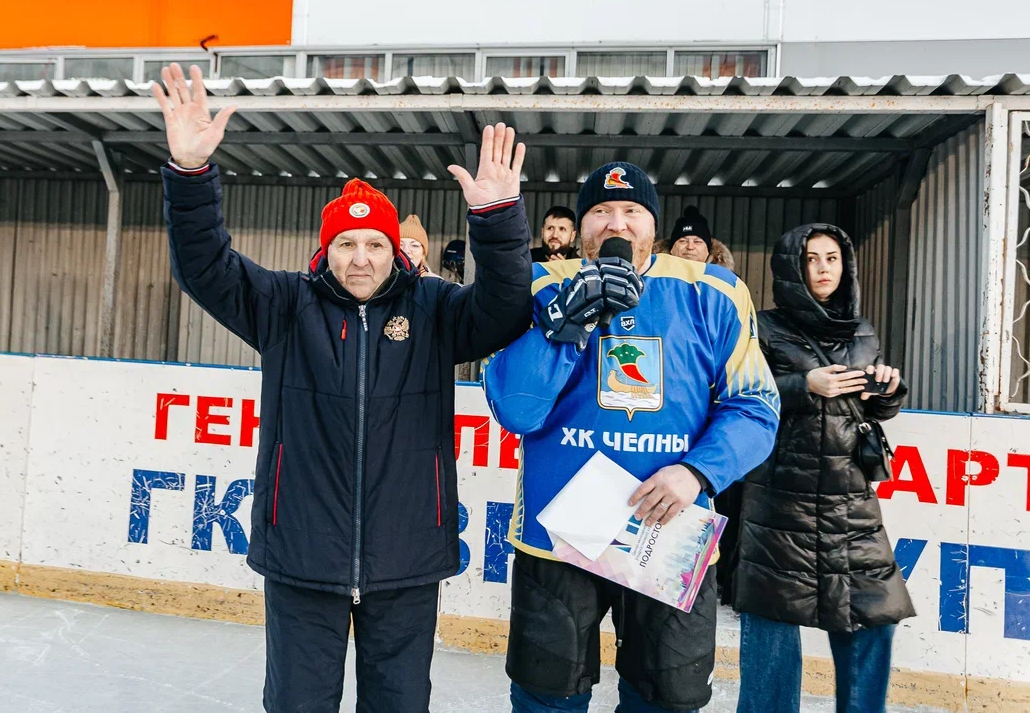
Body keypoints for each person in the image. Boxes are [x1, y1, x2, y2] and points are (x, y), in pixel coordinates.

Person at [152, 64, 532, 713]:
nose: (361, 257)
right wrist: (191, 175)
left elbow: (505, 307)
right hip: (303, 555)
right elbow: (205, 267)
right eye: (346, 243)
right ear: (324, 250)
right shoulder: (282, 306)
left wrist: (496, 219)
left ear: (395, 250)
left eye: (374, 244)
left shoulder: (436, 311)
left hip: (407, 559)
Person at [484, 161, 781, 713]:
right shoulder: (544, 284)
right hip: (559, 538)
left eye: (631, 212)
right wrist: (564, 325)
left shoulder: (713, 291)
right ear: (580, 224)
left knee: (668, 699)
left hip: (668, 535)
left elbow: (757, 407)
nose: (615, 224)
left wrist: (697, 472)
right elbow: (516, 410)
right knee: (546, 697)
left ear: (653, 225)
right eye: (599, 211)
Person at [730, 224, 912, 713]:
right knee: (772, 624)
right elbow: (737, 395)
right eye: (811, 259)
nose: (823, 268)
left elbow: (869, 412)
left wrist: (887, 392)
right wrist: (803, 385)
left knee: (875, 615)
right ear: (792, 268)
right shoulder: (760, 326)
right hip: (779, 499)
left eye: (832, 258)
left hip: (850, 500)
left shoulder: (862, 330)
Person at [654, 205, 735, 270]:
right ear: (671, 248)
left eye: (697, 242)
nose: (690, 247)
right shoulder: (651, 278)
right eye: (683, 241)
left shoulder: (728, 281)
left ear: (708, 250)